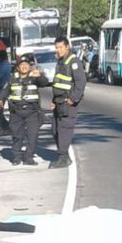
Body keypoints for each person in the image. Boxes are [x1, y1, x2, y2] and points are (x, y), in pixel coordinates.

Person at [3, 53, 51, 166]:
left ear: (29, 67)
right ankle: (16, 157)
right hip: (16, 112)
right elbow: (4, 92)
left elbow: (44, 83)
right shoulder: (12, 79)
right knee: (16, 136)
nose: (24, 67)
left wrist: (39, 75)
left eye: (26, 65)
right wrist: (0, 101)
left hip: (32, 112)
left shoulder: (34, 77)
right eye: (22, 65)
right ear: (18, 67)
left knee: (32, 135)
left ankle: (29, 157)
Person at [49, 36, 86, 169]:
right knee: (54, 129)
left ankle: (63, 157)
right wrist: (54, 100)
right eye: (56, 48)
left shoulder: (73, 61)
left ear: (67, 47)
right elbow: (58, 83)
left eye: (60, 47)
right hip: (58, 101)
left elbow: (81, 82)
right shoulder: (60, 62)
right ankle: (63, 155)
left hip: (68, 102)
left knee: (64, 129)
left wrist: (73, 99)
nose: (58, 50)